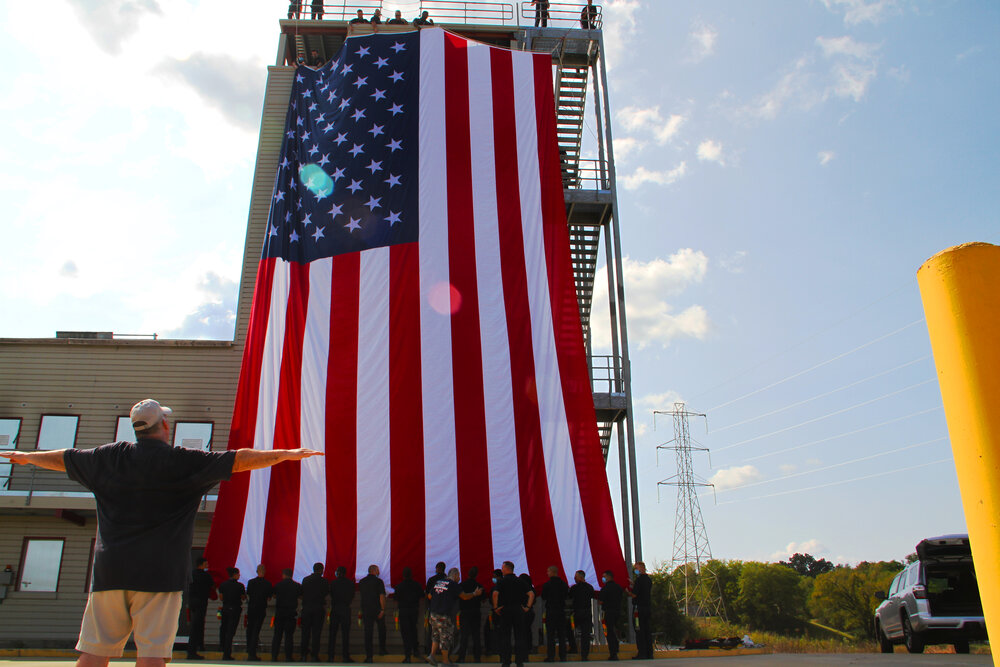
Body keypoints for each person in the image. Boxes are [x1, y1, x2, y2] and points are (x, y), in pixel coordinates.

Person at [0, 398, 322, 667]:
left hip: (110, 572)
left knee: (94, 654)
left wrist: (26, 457)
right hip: (160, 575)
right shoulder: (183, 462)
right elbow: (238, 460)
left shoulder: (106, 457)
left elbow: (63, 458)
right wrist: (286, 454)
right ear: (164, 426)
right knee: (152, 656)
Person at [428, 567, 480, 666]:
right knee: (445, 637)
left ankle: (432, 655)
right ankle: (445, 661)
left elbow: (430, 596)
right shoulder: (453, 585)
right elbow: (464, 596)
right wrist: (474, 593)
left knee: (436, 635)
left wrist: (439, 598)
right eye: (459, 575)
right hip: (444, 614)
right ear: (455, 575)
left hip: (433, 613)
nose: (459, 578)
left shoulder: (438, 582)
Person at [492, 561, 528, 667]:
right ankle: (519, 661)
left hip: (506, 610)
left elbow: (495, 594)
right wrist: (527, 607)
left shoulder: (501, 582)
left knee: (505, 636)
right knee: (519, 636)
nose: (502, 570)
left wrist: (495, 608)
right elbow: (530, 594)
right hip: (518, 609)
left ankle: (506, 661)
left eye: (503, 568)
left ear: (507, 569)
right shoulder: (520, 581)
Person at [187, 557, 216, 660]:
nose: (207, 565)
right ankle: (192, 651)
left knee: (195, 625)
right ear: (202, 564)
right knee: (197, 626)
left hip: (192, 602)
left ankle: (198, 646)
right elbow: (212, 586)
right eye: (206, 564)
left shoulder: (191, 574)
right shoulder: (206, 576)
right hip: (201, 603)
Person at [394, 567, 424, 663]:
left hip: (403, 611)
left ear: (403, 575)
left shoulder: (399, 586)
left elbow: (395, 600)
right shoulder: (417, 585)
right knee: (413, 630)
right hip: (414, 610)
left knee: (405, 633)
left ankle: (407, 655)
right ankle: (415, 650)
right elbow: (422, 597)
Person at [455, 566, 485, 663]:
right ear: (476, 575)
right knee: (476, 635)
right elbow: (483, 599)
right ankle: (477, 657)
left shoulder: (462, 585)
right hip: (476, 611)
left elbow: (457, 597)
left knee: (464, 635)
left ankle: (462, 657)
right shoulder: (479, 586)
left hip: (464, 611)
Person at [302, 562, 330, 661]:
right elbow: (326, 593)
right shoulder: (324, 581)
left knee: (305, 632)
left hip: (306, 608)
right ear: (321, 570)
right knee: (316, 633)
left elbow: (303, 592)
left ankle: (303, 655)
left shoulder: (305, 580)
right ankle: (314, 655)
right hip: (318, 608)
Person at [273, 568, 302, 661]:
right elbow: (300, 596)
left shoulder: (278, 585)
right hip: (290, 613)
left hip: (279, 613)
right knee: (289, 637)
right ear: (291, 575)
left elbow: (274, 595)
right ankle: (288, 657)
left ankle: (274, 656)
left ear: (283, 575)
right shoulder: (296, 586)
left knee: (277, 635)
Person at [360, 564, 388, 662]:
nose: (379, 572)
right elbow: (381, 596)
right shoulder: (379, 582)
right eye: (378, 570)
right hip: (377, 610)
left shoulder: (362, 582)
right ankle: (382, 649)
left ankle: (369, 656)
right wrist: (382, 609)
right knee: (382, 630)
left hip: (366, 610)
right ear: (374, 570)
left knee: (368, 633)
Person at [246, 564, 273, 662]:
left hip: (251, 608)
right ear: (264, 571)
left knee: (250, 629)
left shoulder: (251, 582)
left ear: (257, 571)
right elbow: (269, 598)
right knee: (256, 630)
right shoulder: (268, 584)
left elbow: (248, 594)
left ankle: (249, 649)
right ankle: (253, 652)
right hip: (261, 609)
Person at [541, 566, 569, 662]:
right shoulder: (564, 585)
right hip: (561, 611)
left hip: (551, 611)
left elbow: (544, 597)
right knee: (562, 635)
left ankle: (551, 656)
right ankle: (563, 656)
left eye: (548, 571)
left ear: (552, 572)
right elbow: (566, 596)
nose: (547, 573)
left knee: (550, 635)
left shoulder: (547, 585)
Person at [218, 567, 245, 661]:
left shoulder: (223, 585)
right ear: (235, 574)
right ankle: (227, 653)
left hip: (225, 608)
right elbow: (243, 597)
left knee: (224, 629)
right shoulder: (240, 586)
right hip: (235, 609)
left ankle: (222, 647)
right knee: (231, 632)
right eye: (238, 574)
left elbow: (221, 597)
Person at [329, 565, 356, 662]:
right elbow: (352, 596)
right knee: (345, 634)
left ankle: (331, 656)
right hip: (345, 609)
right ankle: (345, 656)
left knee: (332, 634)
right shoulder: (350, 583)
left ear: (338, 573)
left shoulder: (333, 583)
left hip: (335, 609)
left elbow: (331, 594)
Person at [568, 571, 594, 661]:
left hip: (577, 613)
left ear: (580, 577)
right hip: (587, 612)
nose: (574, 578)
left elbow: (569, 596)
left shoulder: (574, 588)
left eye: (576, 577)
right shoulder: (589, 587)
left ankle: (573, 647)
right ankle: (584, 655)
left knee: (569, 629)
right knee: (585, 634)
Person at [598, 570, 623, 661]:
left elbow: (600, 601)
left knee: (609, 632)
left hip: (608, 612)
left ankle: (613, 653)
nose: (603, 578)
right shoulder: (618, 587)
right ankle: (616, 648)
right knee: (615, 630)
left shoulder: (605, 588)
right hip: (617, 611)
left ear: (608, 577)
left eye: (604, 576)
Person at [630, 562, 653, 659]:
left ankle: (642, 653)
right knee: (647, 631)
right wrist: (634, 584)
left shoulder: (639, 580)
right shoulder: (648, 580)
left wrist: (628, 592)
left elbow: (635, 594)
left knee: (639, 630)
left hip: (638, 609)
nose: (635, 570)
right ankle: (649, 653)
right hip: (647, 608)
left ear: (642, 568)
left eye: (636, 568)